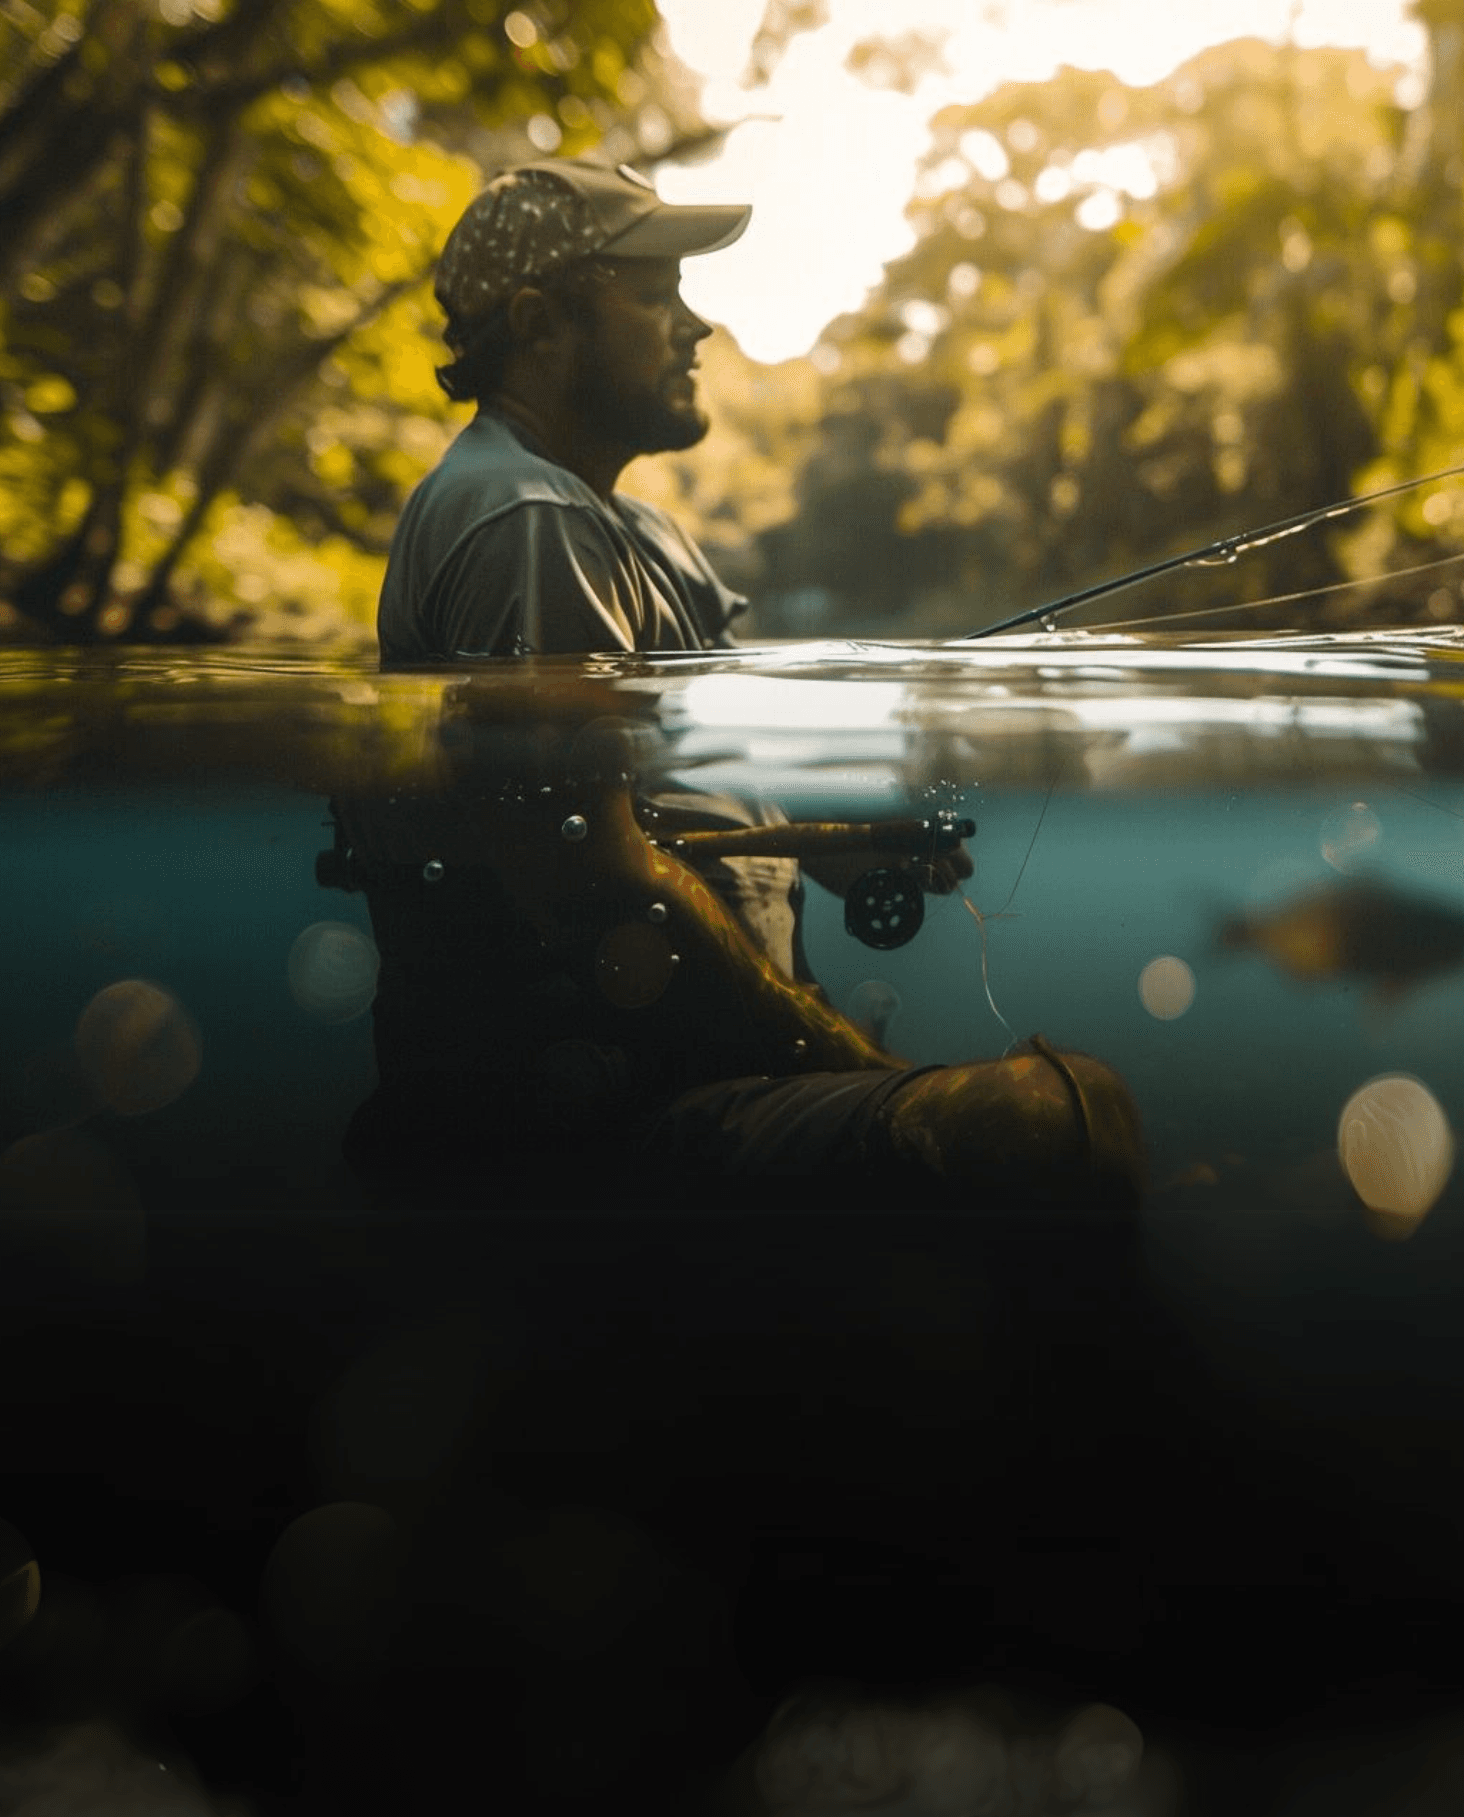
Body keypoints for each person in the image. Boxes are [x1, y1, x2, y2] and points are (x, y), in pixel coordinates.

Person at [344, 156, 1144, 1211]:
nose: (695, 325)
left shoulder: (638, 533)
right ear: (539, 323)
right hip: (586, 1126)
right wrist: (847, 1064)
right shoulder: (520, 517)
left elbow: (724, 779)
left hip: (695, 1083)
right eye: (653, 290)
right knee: (1049, 1119)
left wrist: (865, 843)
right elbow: (592, 880)